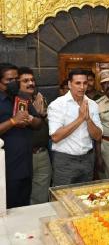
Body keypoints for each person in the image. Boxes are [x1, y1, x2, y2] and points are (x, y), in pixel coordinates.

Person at [48, 69, 103, 186]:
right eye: (78, 83)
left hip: (87, 159)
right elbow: (55, 137)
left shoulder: (92, 104)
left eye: (85, 83)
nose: (82, 87)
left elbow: (98, 136)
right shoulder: (57, 105)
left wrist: (88, 119)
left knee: (85, 197)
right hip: (65, 160)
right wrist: (80, 118)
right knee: (62, 198)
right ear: (69, 84)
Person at [0, 63, 42, 208]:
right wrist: (12, 121)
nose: (13, 83)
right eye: (9, 80)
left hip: (25, 163)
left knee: (24, 206)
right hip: (6, 167)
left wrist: (30, 119)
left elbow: (38, 124)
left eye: (15, 79)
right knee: (8, 209)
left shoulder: (22, 97)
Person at [18, 67, 52, 204]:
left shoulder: (41, 99)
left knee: (41, 198)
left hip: (42, 155)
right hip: (23, 156)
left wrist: (43, 114)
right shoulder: (14, 102)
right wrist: (36, 114)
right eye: (25, 81)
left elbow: (50, 128)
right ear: (16, 83)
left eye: (32, 80)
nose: (31, 83)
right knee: (21, 197)